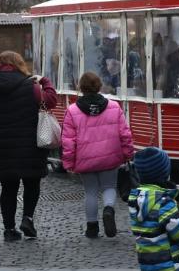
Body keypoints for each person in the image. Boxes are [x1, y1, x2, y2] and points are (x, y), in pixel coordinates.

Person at [0, 51, 57, 241]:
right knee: (32, 183)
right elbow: (50, 101)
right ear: (19, 65)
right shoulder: (29, 86)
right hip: (29, 146)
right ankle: (28, 218)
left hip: (1, 148)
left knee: (8, 188)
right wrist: (45, 81)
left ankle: (9, 230)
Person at [61, 71, 134, 239]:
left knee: (91, 192)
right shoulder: (114, 107)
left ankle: (92, 227)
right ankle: (108, 209)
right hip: (110, 156)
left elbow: (68, 141)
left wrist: (69, 163)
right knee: (109, 187)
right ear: (99, 86)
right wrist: (127, 153)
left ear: (81, 88)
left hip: (85, 158)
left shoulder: (72, 111)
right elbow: (125, 134)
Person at [129, 147, 179, 271]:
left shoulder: (136, 200)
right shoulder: (163, 202)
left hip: (147, 263)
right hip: (168, 263)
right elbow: (177, 230)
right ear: (164, 173)